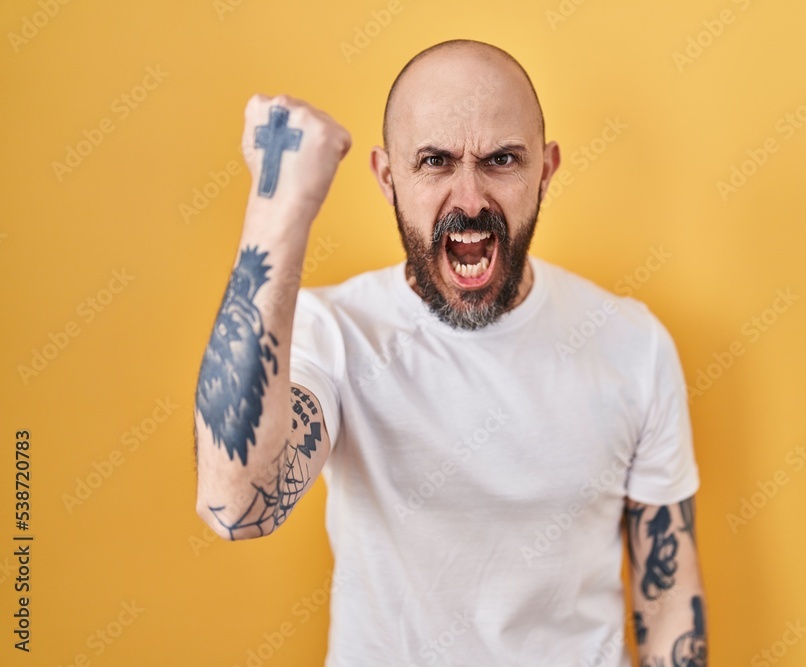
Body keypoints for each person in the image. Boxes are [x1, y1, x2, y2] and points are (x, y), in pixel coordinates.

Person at [193, 38, 707, 667]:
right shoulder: (334, 334)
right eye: (435, 161)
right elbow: (237, 503)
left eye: (501, 160)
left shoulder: (633, 344)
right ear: (389, 178)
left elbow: (669, 598)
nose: (469, 199)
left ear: (544, 171)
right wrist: (279, 208)